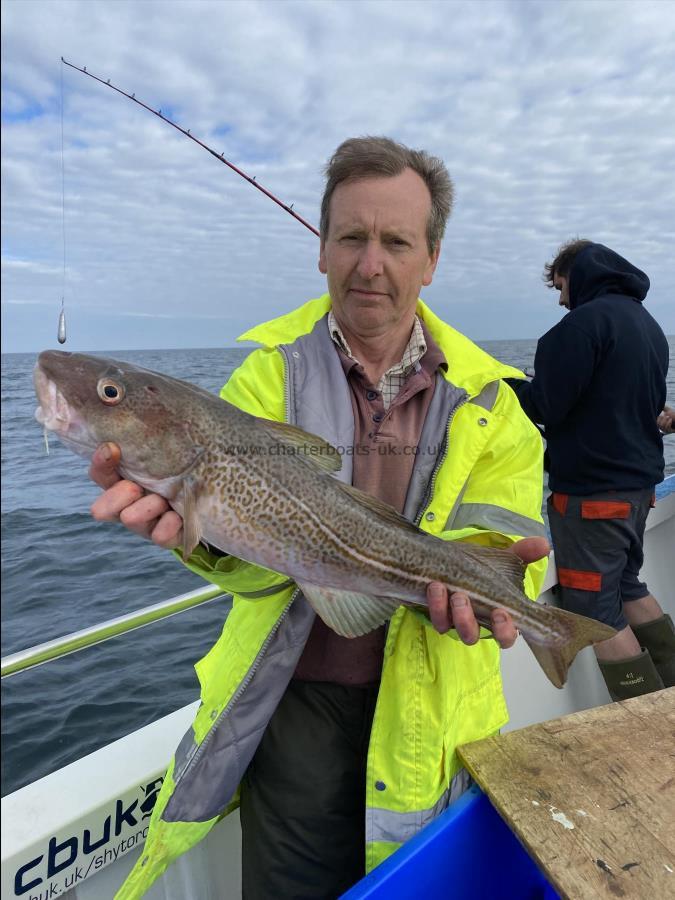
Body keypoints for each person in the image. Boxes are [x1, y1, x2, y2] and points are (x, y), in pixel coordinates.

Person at [93, 137, 549, 899]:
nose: (370, 264)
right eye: (351, 237)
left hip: (430, 706)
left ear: (430, 259)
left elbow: (488, 539)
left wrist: (481, 578)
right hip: (292, 701)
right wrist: (195, 538)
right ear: (321, 249)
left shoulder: (493, 403)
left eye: (395, 241)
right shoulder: (265, 372)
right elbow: (250, 552)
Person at [506, 239, 674, 704]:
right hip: (639, 489)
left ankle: (649, 721)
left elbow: (545, 407)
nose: (561, 298)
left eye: (561, 285)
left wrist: (504, 385)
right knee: (627, 585)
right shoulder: (649, 326)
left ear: (578, 273)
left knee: (596, 612)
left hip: (594, 498)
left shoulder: (581, 325)